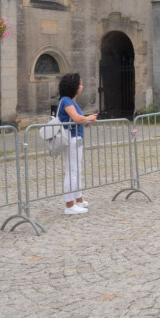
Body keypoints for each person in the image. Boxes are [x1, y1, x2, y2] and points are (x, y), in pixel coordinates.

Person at [57, 73, 98, 215]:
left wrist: (86, 121)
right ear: (73, 86)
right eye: (80, 84)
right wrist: (88, 118)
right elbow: (76, 118)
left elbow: (77, 120)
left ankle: (78, 199)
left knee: (76, 170)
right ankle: (69, 205)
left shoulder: (70, 101)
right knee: (72, 171)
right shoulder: (66, 101)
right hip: (71, 139)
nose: (82, 86)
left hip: (76, 137)